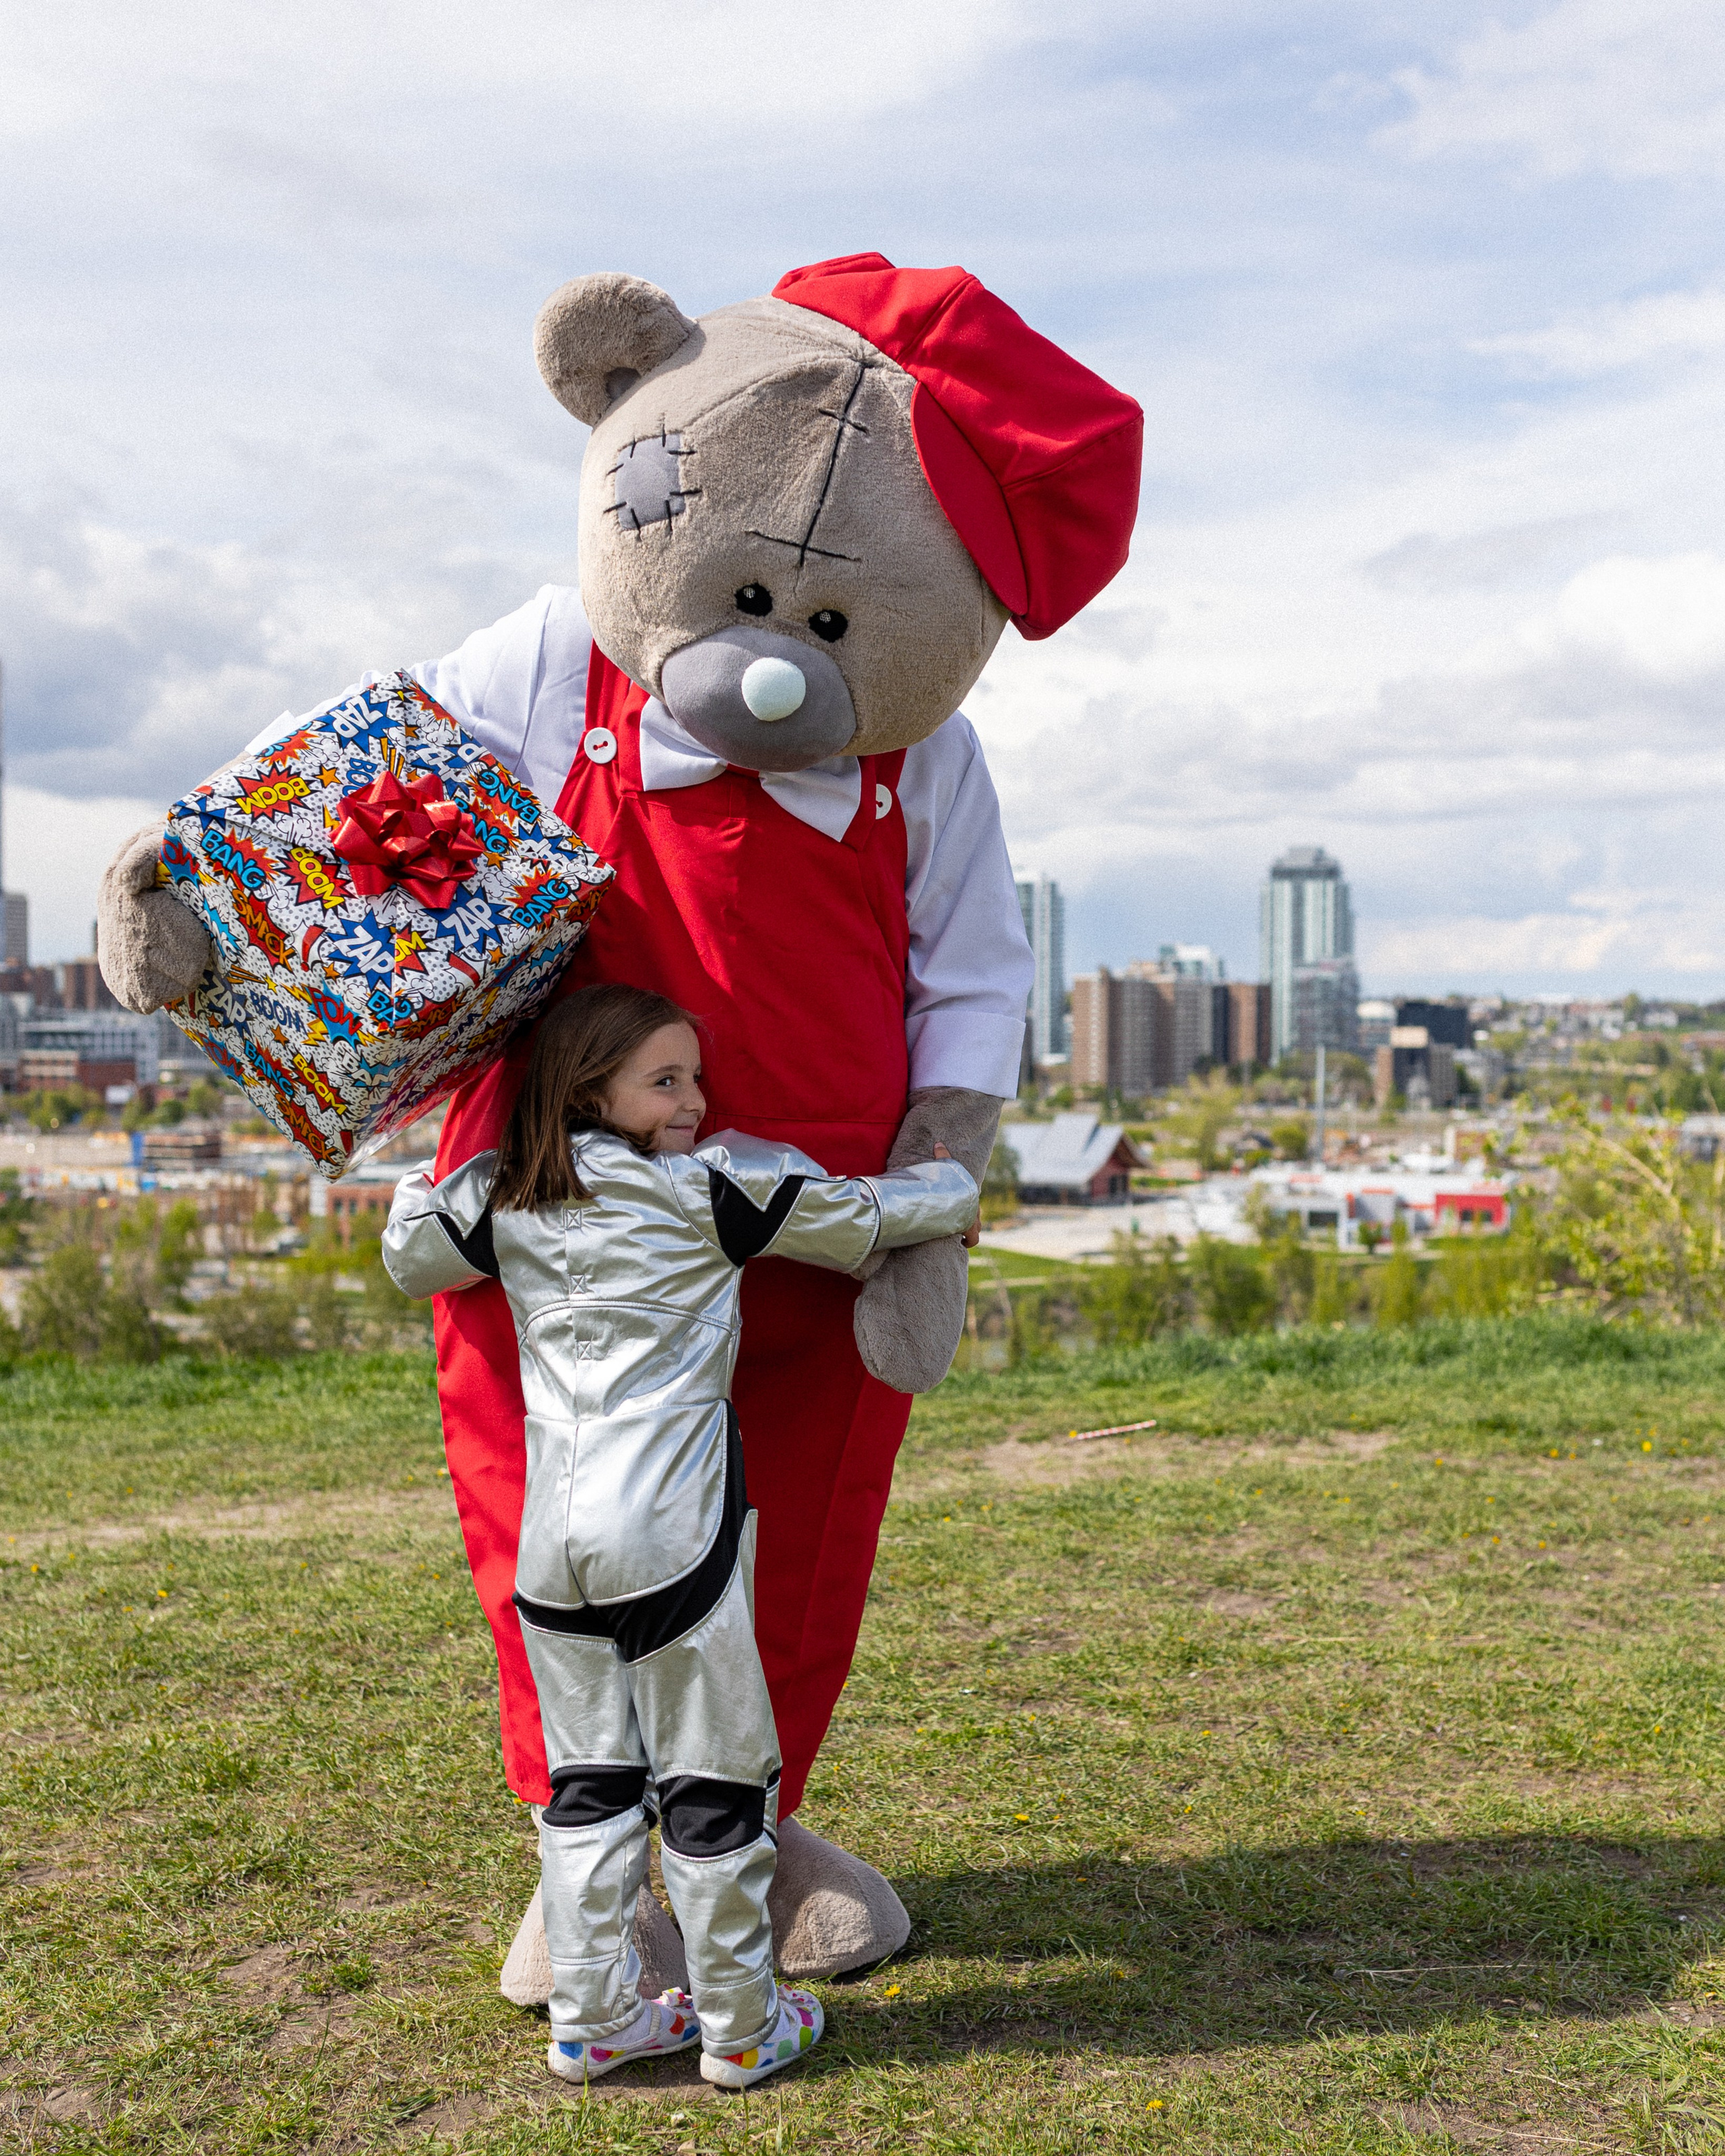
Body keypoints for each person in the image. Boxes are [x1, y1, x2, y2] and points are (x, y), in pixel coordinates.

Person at [381, 983, 979, 2088]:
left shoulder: (499, 1198)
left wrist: (437, 1167)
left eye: (694, 1076)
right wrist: (949, 1186)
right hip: (674, 1533)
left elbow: (410, 1253)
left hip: (553, 1540)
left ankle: (594, 2020)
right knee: (718, 1779)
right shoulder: (711, 1189)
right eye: (668, 1079)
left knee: (588, 1783)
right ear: (589, 1089)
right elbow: (876, 1214)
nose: (695, 1099)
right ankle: (742, 2027)